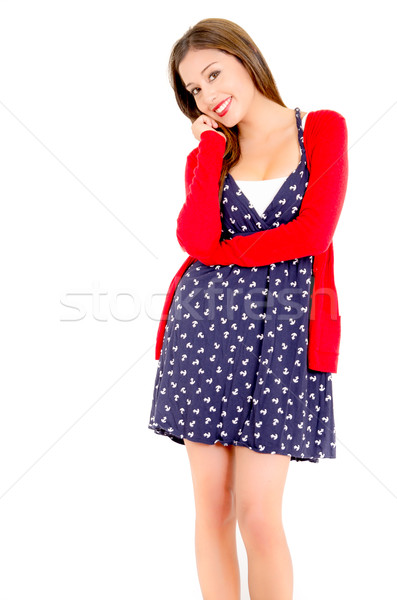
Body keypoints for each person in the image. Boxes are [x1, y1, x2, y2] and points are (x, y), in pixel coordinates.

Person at [148, 17, 348, 600]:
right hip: (203, 335)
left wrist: (227, 254)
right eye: (194, 91)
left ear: (245, 59)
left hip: (285, 343)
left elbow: (314, 233)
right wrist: (210, 147)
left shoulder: (322, 131)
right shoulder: (208, 154)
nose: (208, 94)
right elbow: (196, 238)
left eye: (213, 74)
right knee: (212, 509)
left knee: (260, 515)